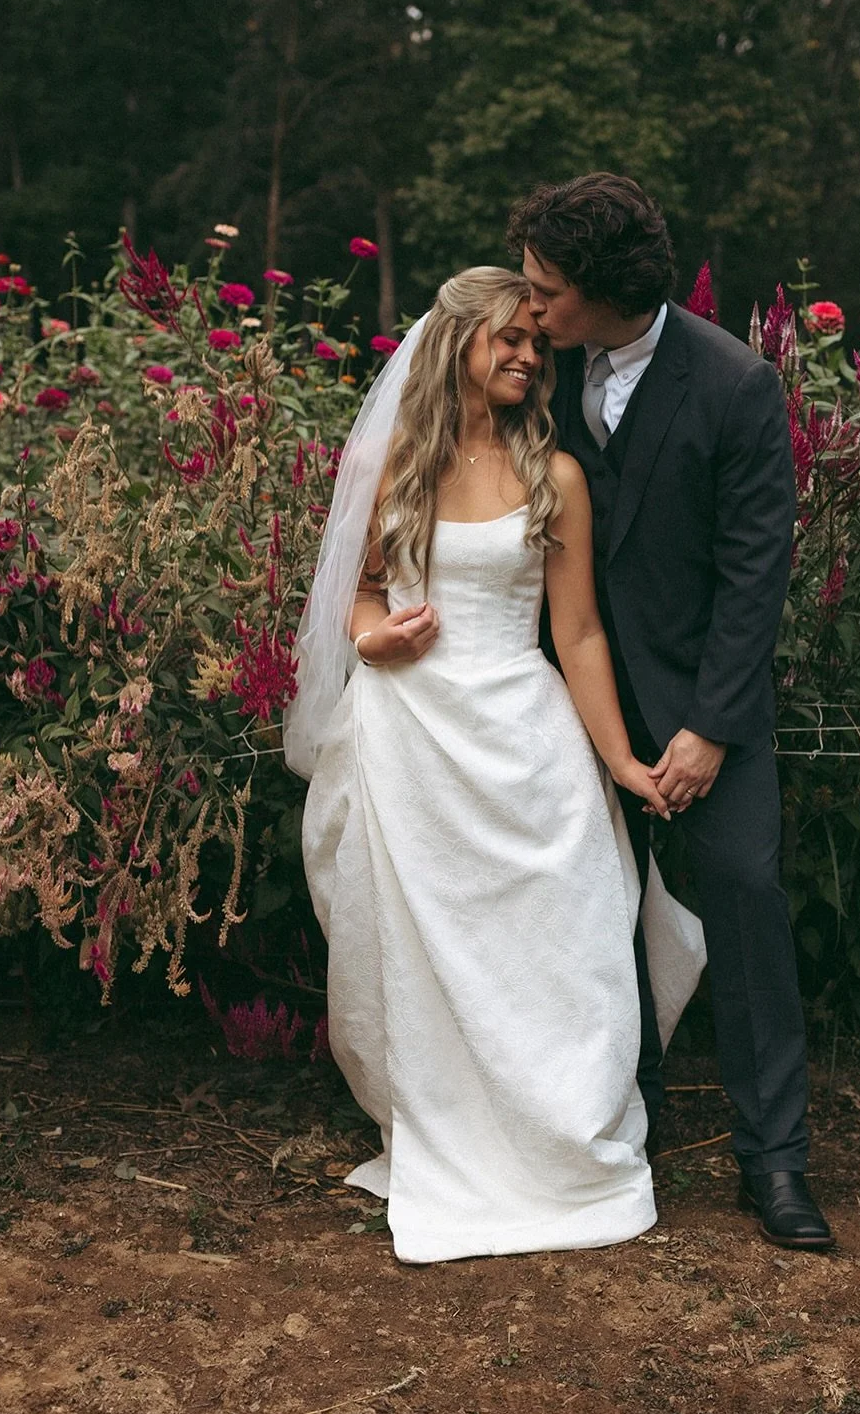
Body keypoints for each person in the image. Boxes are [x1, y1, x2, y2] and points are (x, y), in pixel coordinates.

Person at [283, 267, 704, 1265]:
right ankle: (447, 1129)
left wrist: (622, 762)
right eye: (506, 339)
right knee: (421, 952)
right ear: (457, 341)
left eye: (535, 342)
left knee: (564, 936)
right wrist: (374, 636)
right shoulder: (394, 466)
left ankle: (559, 1137)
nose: (525, 355)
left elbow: (582, 632)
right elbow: (360, 596)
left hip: (523, 728)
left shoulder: (553, 473)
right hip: (414, 737)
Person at [508, 174, 834, 1251]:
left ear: (604, 295)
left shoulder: (736, 385)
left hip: (706, 705)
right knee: (588, 907)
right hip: (560, 693)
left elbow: (756, 575)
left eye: (548, 289)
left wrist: (708, 726)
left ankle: (773, 1158)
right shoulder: (530, 364)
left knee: (741, 891)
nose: (529, 303)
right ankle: (613, 1124)